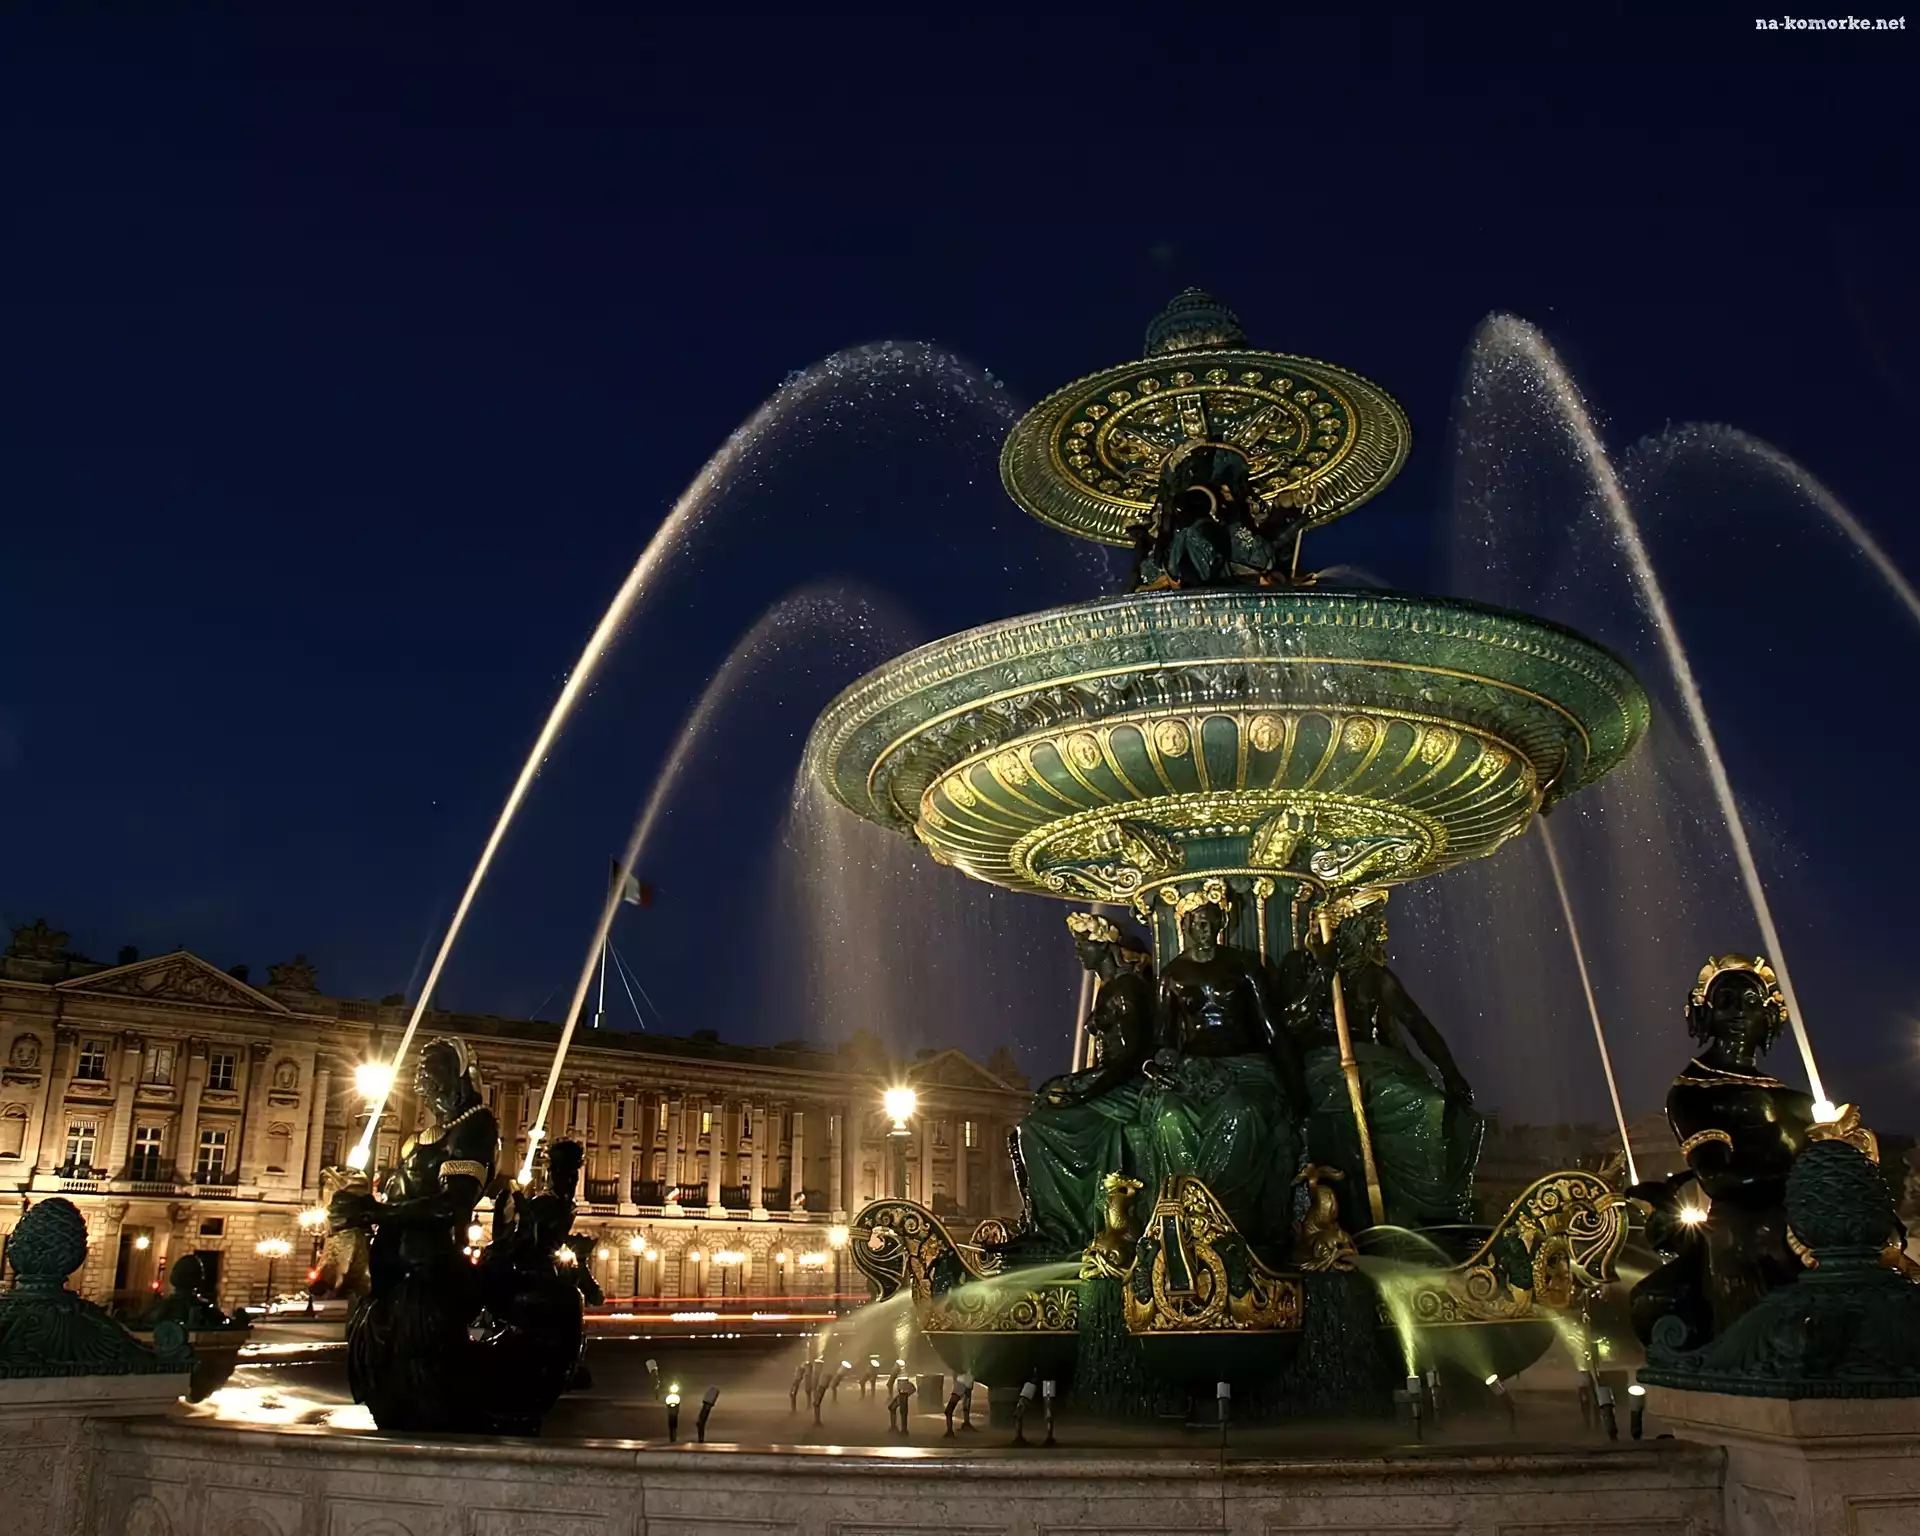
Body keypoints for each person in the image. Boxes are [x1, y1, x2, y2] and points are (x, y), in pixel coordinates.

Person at [1631, 955, 1814, 1343]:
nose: (1738, 1012)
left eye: (1751, 1002)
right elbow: (1716, 1179)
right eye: (1726, 1000)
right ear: (1705, 1013)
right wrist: (1809, 1176)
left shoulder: (1793, 1097)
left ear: (1770, 1015)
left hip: (1808, 1220)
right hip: (1746, 1230)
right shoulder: (1693, 1092)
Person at [1279, 892, 1482, 1232]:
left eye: (1371, 930)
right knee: (1414, 1101)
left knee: (1436, 1104)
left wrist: (1451, 1074)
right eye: (1364, 928)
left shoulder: (1375, 976)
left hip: (1373, 1062)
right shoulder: (1301, 964)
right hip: (1326, 1064)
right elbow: (1292, 1020)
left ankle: (1424, 1205)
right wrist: (1324, 971)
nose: (1371, 937)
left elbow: (1417, 1024)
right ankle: (1402, 1206)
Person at [328, 1036, 498, 1432]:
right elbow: (397, 1199)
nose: (421, 1077)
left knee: (418, 1385)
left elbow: (452, 1204)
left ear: (459, 1073)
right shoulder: (422, 1139)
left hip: (426, 1274)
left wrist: (376, 1211)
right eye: (419, 1069)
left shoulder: (475, 1127)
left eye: (432, 1066)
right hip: (391, 1274)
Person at [1139, 883, 1305, 1253]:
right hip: (1194, 1071)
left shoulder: (1243, 966)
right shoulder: (1172, 975)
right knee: (1168, 1117)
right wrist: (1154, 1064)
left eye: (1210, 922)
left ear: (1221, 924)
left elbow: (1271, 1027)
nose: (1203, 930)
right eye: (1196, 923)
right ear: (1184, 926)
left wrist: (1295, 1085)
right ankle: (1183, 1212)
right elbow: (1162, 1038)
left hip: (1246, 1065)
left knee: (1241, 1111)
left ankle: (1230, 1216)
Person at [998, 912, 1155, 1257]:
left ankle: (1061, 1230)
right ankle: (1042, 1224)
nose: (1078, 952)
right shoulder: (1111, 989)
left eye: (1084, 944)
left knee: (1036, 1129)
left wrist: (1083, 1091)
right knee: (1041, 1108)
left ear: (1105, 945)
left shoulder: (1125, 989)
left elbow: (1129, 1058)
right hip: (1112, 1081)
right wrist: (1074, 1083)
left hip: (1127, 1088)